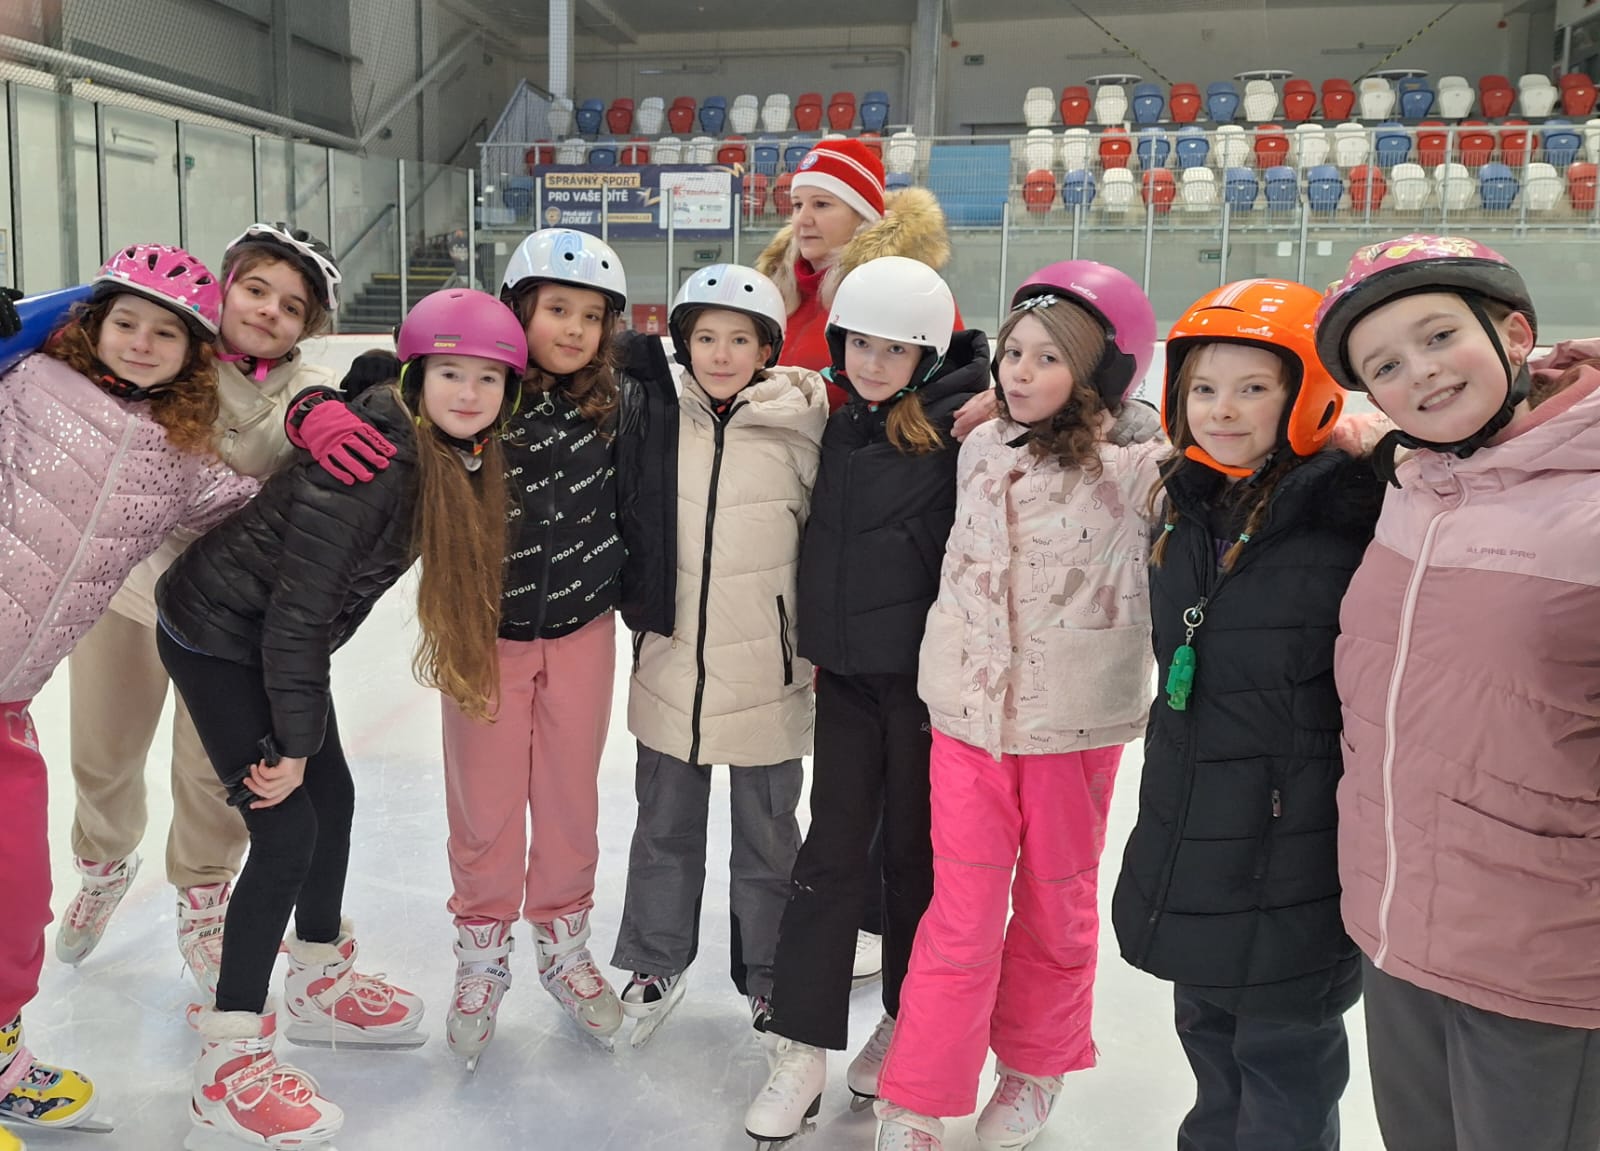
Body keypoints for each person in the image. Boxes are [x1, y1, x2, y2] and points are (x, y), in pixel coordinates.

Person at [157, 287, 524, 1149]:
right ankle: (227, 1062)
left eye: (487, 378)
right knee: (286, 830)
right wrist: (290, 744)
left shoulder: (439, 447)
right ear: (419, 376)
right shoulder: (377, 465)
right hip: (219, 635)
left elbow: (363, 378)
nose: (469, 393)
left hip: (269, 637)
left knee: (336, 800)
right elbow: (295, 616)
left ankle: (317, 977)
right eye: (450, 373)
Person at [1313, 233, 1600, 1151]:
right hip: (1398, 929)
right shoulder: (1412, 482)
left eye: (1439, 336)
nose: (1422, 373)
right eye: (1387, 366)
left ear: (1513, 333)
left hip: (1543, 957)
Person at [870, 262, 1164, 1151]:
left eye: (1047, 358)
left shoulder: (1137, 467)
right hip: (969, 717)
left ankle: (1035, 1067)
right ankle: (919, 1095)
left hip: (1072, 725)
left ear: (1103, 372)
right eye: (1013, 353)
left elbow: (1224, 453)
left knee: (1054, 905)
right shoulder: (980, 445)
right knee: (959, 913)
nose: (1019, 372)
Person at [54, 223, 390, 996]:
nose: (269, 311)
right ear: (225, 288)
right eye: (256, 290)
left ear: (308, 326)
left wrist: (333, 412)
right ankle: (104, 861)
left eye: (291, 306)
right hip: (126, 590)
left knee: (213, 770)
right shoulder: (173, 349)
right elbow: (97, 336)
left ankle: (204, 899)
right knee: (103, 751)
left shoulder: (304, 386)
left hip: (221, 617)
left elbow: (308, 408)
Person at [1112, 279, 1383, 1151]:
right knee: (1208, 1034)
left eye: (1253, 387)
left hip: (1295, 847)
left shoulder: (1354, 510)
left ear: (1307, 395)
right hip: (1196, 827)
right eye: (1202, 387)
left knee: (1283, 1059)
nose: (1222, 409)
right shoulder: (1187, 501)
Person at [0, 243, 258, 1140]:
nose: (142, 342)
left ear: (193, 354)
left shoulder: (180, 455)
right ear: (92, 324)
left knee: (15, 897)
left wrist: (350, 437)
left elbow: (254, 508)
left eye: (165, 332)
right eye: (126, 322)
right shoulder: (28, 387)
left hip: (9, 705)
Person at [742, 256, 991, 1145]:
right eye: (859, 344)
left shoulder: (967, 427)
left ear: (927, 356)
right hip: (846, 680)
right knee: (829, 857)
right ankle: (801, 1045)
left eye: (895, 350)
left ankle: (907, 1021)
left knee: (916, 866)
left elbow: (1094, 419)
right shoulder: (840, 419)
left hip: (927, 692)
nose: (873, 364)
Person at [607, 263, 827, 1048]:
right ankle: (655, 958)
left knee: (769, 835)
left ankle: (771, 973)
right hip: (673, 659)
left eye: (740, 339)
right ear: (684, 343)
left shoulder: (804, 422)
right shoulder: (656, 414)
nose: (722, 353)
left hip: (770, 665)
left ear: (768, 349)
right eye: (706, 337)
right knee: (662, 823)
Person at [440, 228, 633, 1060]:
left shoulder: (619, 402)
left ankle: (563, 942)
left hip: (584, 627)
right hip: (485, 634)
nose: (574, 329)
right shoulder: (483, 397)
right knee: (484, 804)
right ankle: (482, 954)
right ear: (518, 310)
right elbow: (402, 389)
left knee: (568, 796)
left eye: (591, 316)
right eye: (557, 309)